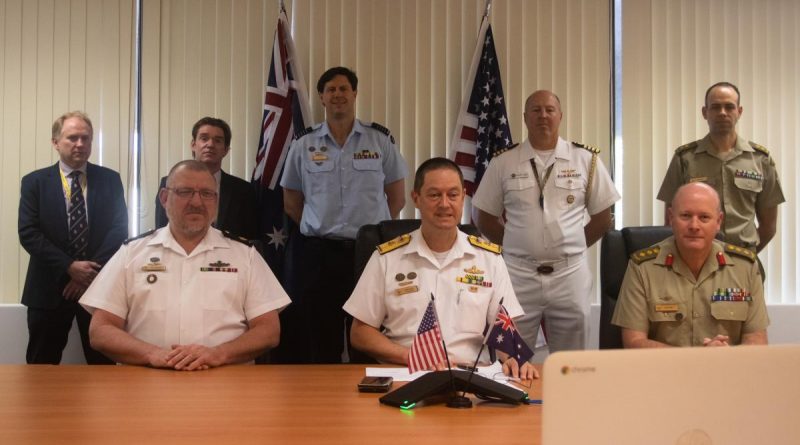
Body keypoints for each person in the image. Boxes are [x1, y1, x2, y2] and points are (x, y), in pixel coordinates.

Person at [80, 160, 290, 370]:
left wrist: (219, 354)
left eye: (206, 193)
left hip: (226, 383)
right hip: (145, 382)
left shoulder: (245, 255)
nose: (196, 202)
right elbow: (100, 331)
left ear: (216, 201)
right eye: (185, 192)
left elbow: (269, 330)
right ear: (164, 198)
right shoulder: (131, 254)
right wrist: (153, 354)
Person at [344, 158, 536, 379]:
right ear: (416, 198)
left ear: (463, 197)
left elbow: (502, 323)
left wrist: (513, 356)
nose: (445, 204)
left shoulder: (489, 258)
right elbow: (360, 333)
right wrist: (411, 356)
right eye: (434, 195)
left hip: (471, 377)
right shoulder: (387, 258)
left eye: (453, 195)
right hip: (406, 374)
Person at [277, 66, 408, 363]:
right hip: (318, 254)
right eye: (331, 90)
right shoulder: (304, 144)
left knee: (368, 334)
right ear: (321, 97)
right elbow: (291, 201)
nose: (338, 95)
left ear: (355, 94)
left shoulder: (380, 141)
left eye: (344, 89)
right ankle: (326, 403)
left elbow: (396, 198)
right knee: (321, 335)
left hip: (368, 254)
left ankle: (366, 401)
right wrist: (319, 226)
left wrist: (370, 232)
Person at [472, 90, 620, 352]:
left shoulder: (585, 159)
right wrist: (515, 244)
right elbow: (482, 215)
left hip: (569, 273)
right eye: (536, 110)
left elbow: (603, 217)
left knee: (571, 362)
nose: (543, 116)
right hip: (518, 273)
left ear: (560, 116)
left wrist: (569, 244)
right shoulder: (504, 161)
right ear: (525, 117)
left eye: (550, 110)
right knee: (510, 356)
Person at [18, 111, 128, 364]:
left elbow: (120, 229)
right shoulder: (35, 182)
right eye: (72, 138)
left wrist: (87, 273)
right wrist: (70, 266)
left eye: (86, 138)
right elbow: (28, 232)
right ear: (56, 142)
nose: (80, 144)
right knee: (41, 365)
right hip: (48, 289)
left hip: (99, 287)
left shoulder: (110, 179)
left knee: (103, 365)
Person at [612, 182, 769, 347]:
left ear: (718, 221)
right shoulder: (643, 268)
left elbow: (756, 340)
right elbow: (634, 342)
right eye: (686, 216)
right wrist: (696, 359)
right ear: (671, 218)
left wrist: (725, 357)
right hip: (665, 371)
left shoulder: (745, 268)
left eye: (704, 217)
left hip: (726, 370)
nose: (694, 226)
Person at [657, 82, 785, 254]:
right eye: (716, 107)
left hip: (744, 259)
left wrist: (745, 256)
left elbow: (769, 226)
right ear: (705, 112)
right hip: (695, 260)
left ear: (739, 112)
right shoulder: (684, 159)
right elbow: (671, 221)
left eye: (729, 107)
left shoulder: (760, 160)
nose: (722, 113)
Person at [154, 117, 259, 240]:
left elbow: (250, 237)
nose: (210, 144)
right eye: (204, 138)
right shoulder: (169, 184)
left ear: (225, 150)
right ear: (193, 145)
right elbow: (162, 231)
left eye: (218, 141)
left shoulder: (244, 190)